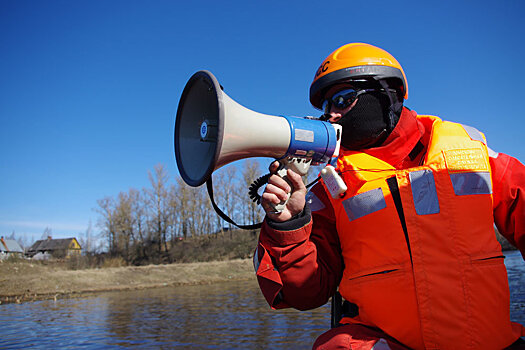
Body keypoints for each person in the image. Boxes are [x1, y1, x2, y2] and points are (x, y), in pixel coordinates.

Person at [253, 43, 525, 349]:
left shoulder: (473, 156)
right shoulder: (327, 190)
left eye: (342, 99)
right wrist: (287, 225)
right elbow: (304, 292)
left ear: (388, 93)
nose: (331, 115)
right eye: (326, 106)